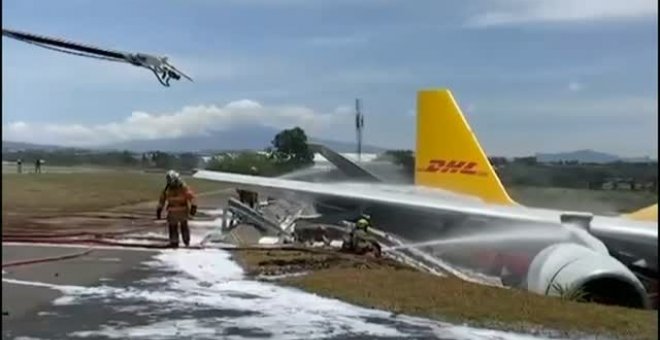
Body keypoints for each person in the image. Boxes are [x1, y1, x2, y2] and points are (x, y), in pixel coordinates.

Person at [157, 170, 198, 248]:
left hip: (176, 212)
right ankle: (184, 241)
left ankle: (177, 242)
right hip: (178, 212)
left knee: (177, 227)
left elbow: (161, 201)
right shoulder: (180, 188)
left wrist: (159, 210)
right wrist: (193, 208)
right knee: (180, 226)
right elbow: (192, 198)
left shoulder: (171, 189)